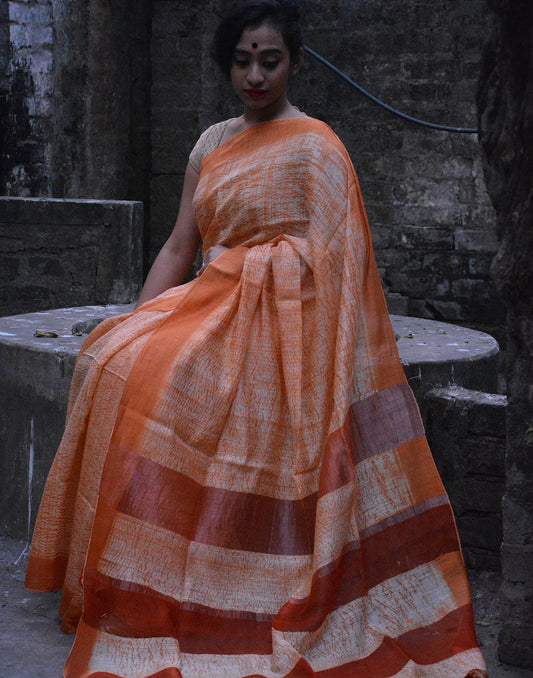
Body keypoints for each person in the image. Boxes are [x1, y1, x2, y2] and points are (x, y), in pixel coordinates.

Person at [26, 1, 488, 676]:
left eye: (269, 60)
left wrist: (266, 276)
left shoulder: (317, 145)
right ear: (227, 66)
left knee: (173, 384)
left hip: (286, 321)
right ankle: (124, 568)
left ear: (294, 64)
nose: (254, 74)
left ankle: (218, 576)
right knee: (111, 356)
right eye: (241, 61)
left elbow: (340, 259)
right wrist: (141, 317)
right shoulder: (211, 145)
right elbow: (181, 245)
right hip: (211, 304)